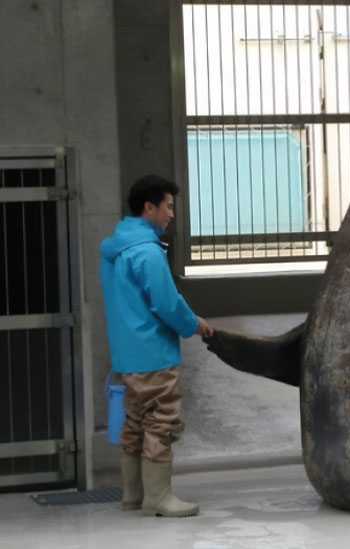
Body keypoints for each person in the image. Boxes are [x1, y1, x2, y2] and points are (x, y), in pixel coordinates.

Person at [100, 174, 214, 518]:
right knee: (161, 421)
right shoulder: (147, 253)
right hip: (152, 351)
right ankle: (158, 497)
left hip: (127, 351)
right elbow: (166, 303)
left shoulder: (116, 250)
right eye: (167, 206)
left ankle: (133, 494)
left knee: (135, 421)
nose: (171, 214)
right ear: (148, 207)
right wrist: (195, 324)